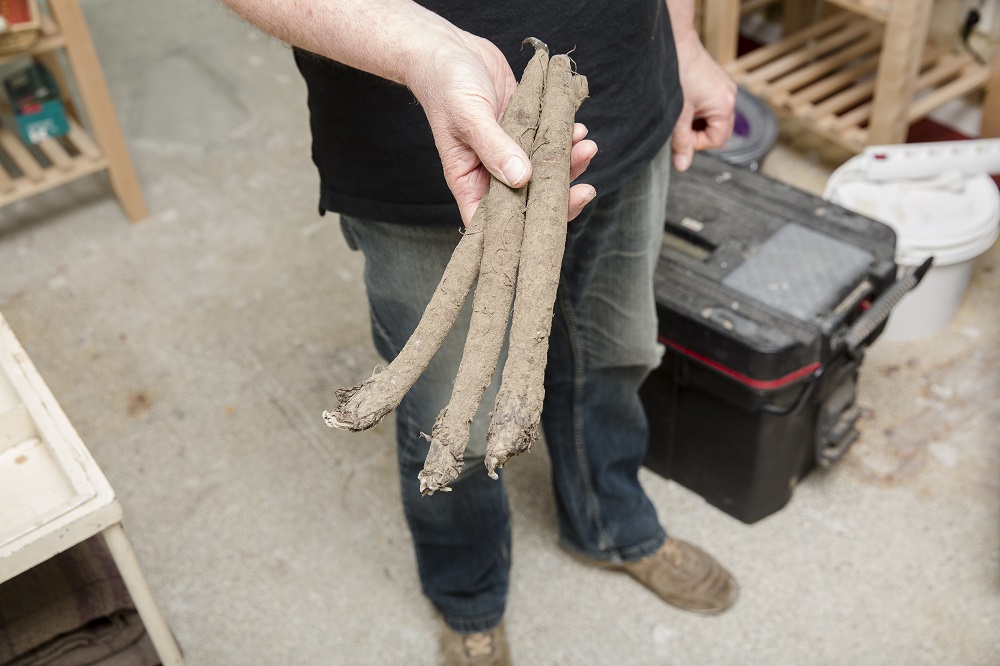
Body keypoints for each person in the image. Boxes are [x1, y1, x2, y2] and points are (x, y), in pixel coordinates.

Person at [221, 1, 739, 663]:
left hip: (628, 88)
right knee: (448, 417)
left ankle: (611, 522)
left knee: (617, 351)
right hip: (414, 143)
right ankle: (469, 594)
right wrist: (418, 46)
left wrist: (684, 37)